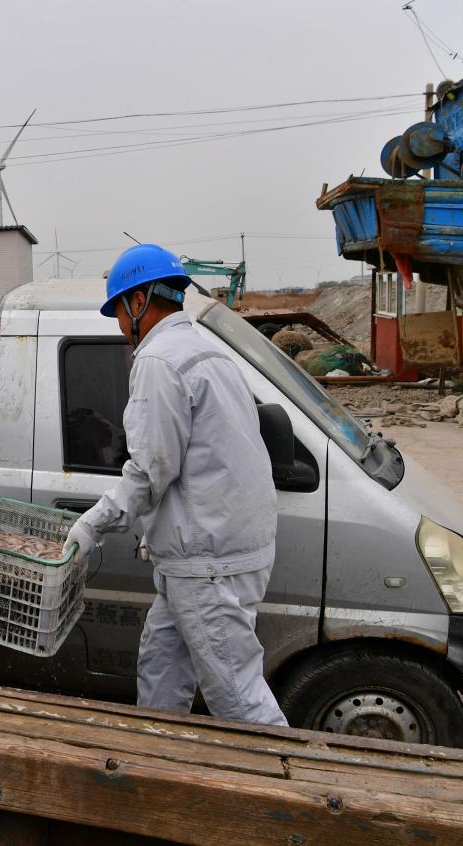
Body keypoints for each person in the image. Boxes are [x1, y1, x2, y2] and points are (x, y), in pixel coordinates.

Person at [62, 245, 288, 726]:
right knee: (163, 668)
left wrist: (92, 524)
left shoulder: (159, 360)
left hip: (207, 559)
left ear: (139, 302)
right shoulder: (209, 350)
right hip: (209, 551)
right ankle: (153, 764)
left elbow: (150, 469)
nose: (121, 327)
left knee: (238, 696)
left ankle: (293, 791)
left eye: (118, 312)